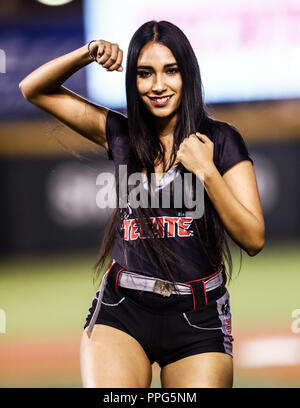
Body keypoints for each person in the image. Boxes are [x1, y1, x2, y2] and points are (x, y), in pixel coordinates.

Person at [19, 20, 265, 388]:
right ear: (132, 81)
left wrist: (208, 171)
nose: (158, 85)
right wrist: (88, 53)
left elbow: (253, 238)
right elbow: (33, 89)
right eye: (144, 73)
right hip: (124, 308)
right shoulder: (120, 134)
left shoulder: (221, 140)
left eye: (171, 71)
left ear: (188, 74)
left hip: (198, 317)